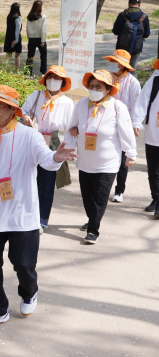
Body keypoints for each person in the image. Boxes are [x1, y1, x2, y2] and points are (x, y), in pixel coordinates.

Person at [0, 85, 76, 329]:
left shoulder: (28, 135)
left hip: (23, 215)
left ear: (12, 110)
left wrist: (57, 156)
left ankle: (29, 291)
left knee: (22, 263)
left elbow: (46, 160)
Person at [65, 70, 137, 244]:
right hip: (85, 162)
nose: (94, 89)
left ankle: (93, 230)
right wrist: (69, 146)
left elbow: (126, 133)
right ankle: (92, 219)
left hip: (108, 163)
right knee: (88, 198)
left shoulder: (117, 107)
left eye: (98, 86)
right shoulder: (81, 105)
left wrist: (130, 153)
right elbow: (71, 127)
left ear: (107, 90)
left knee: (100, 198)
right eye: (91, 86)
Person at [21, 65, 75, 231]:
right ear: (45, 80)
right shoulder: (36, 95)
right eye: (50, 77)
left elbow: (70, 126)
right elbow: (23, 111)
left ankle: (42, 219)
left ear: (62, 82)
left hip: (52, 139)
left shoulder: (66, 102)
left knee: (47, 182)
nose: (53, 80)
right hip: (33, 138)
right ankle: (28, 215)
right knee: (29, 178)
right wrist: (24, 118)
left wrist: (70, 148)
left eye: (57, 78)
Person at [103, 50, 142, 203]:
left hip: (125, 124)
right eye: (112, 61)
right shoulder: (107, 79)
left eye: (115, 62)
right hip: (107, 123)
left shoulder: (132, 83)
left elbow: (136, 106)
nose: (112, 64)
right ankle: (104, 188)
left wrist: (134, 124)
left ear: (123, 65)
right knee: (107, 154)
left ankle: (119, 191)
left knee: (123, 160)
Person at [132, 59, 159, 215]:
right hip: (153, 134)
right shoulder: (154, 81)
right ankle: (155, 199)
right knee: (153, 170)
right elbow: (142, 102)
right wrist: (137, 122)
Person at [112, 0, 150, 70]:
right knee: (132, 70)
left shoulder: (121, 15)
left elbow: (115, 31)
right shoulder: (144, 17)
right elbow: (146, 34)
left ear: (129, 4)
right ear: (139, 4)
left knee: (119, 70)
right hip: (136, 48)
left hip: (121, 48)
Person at [25, 0, 47, 77]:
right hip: (40, 38)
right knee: (43, 56)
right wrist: (43, 40)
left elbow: (27, 28)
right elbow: (43, 30)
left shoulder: (29, 16)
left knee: (30, 56)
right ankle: (43, 72)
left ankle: (28, 73)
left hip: (31, 39)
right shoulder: (43, 16)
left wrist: (29, 37)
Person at [4, 3, 22, 71]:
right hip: (15, 38)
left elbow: (8, 27)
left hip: (8, 37)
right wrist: (16, 40)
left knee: (8, 55)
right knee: (17, 55)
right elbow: (17, 30)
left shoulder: (8, 17)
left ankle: (4, 70)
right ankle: (16, 71)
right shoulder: (18, 18)